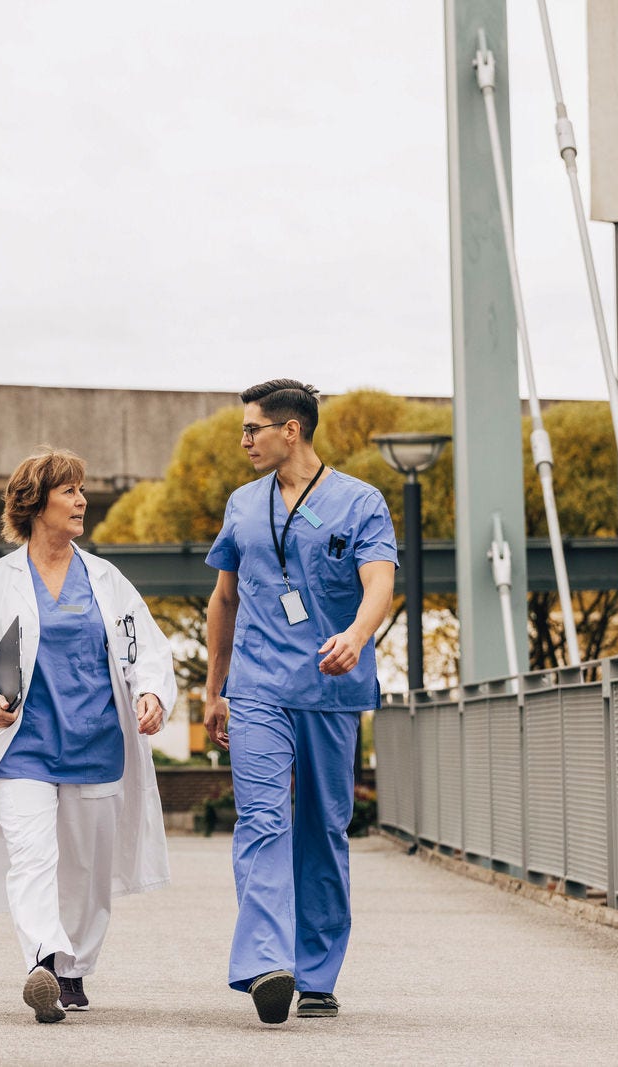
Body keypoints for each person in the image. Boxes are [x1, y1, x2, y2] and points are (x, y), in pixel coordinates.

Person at [0, 448, 175, 1025]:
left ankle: (74, 967)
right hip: (23, 747)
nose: (82, 501)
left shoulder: (105, 579)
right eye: (70, 491)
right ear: (35, 503)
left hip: (97, 742)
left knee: (86, 868)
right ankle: (45, 961)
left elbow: (145, 647)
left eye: (81, 490)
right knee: (32, 857)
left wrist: (151, 693)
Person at [203, 379, 397, 1024]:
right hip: (256, 687)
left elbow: (380, 584)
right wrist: (214, 688)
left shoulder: (360, 502)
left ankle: (316, 975)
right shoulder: (242, 503)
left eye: (253, 428)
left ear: (292, 430)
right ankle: (267, 964)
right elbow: (225, 599)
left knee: (322, 828)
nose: (244, 440)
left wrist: (357, 634)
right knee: (262, 819)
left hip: (328, 687)